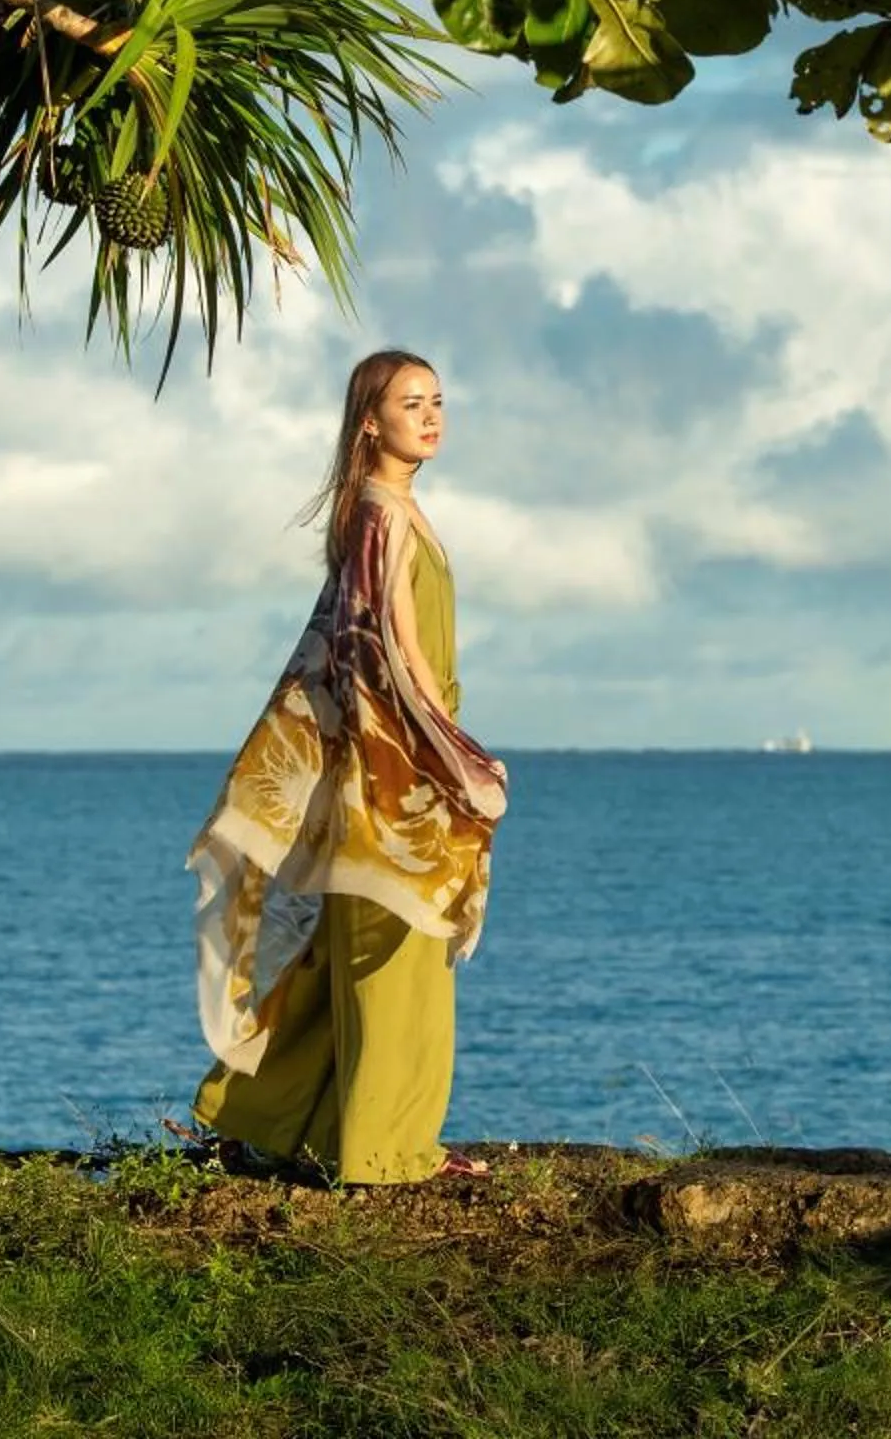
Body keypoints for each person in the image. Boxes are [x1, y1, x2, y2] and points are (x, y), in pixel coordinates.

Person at [183, 349, 509, 1184]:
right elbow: (390, 655)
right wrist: (455, 756)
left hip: (392, 755)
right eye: (412, 403)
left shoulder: (390, 508)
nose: (433, 415)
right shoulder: (380, 515)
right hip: (396, 759)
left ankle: (251, 1119)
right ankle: (390, 1151)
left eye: (439, 400)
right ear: (371, 421)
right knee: (397, 956)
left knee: (339, 952)